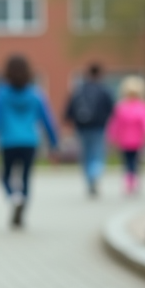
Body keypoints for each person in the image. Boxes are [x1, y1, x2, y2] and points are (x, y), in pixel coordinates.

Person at [0, 55, 59, 228]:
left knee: (6, 176)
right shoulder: (36, 94)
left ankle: (13, 197)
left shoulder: (1, 93)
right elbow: (47, 120)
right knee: (26, 177)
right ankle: (21, 206)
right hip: (30, 142)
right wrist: (54, 144)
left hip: (8, 141)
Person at [63, 63, 115, 197]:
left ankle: (89, 180)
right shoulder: (103, 90)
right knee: (97, 153)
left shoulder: (79, 89)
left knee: (85, 155)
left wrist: (68, 121)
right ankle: (94, 174)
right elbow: (112, 109)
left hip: (82, 127)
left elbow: (70, 108)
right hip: (98, 127)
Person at [106, 76, 145, 195]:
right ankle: (133, 179)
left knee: (127, 161)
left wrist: (112, 136)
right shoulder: (143, 107)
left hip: (125, 140)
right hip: (137, 140)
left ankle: (129, 179)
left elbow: (115, 124)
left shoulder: (121, 107)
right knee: (134, 161)